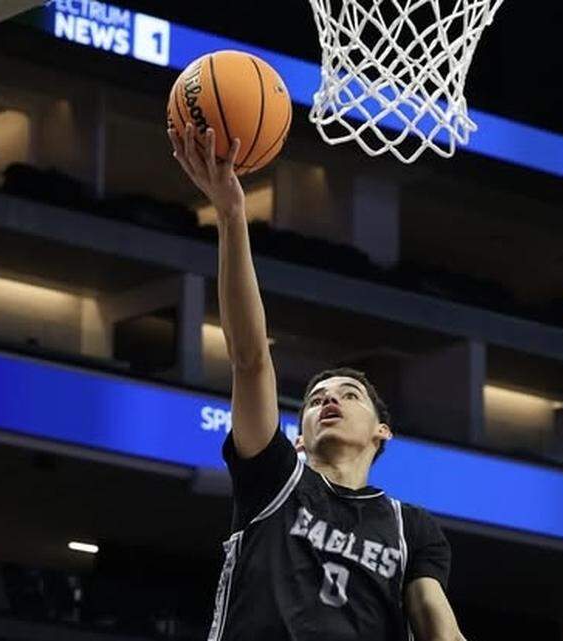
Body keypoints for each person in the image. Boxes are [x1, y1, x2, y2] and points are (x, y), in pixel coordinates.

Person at [168, 124, 466, 641]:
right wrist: (233, 214)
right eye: (315, 399)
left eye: (348, 395)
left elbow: (437, 623)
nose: (330, 400)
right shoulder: (274, 479)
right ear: (298, 436)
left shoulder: (410, 528)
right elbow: (249, 358)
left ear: (382, 432)